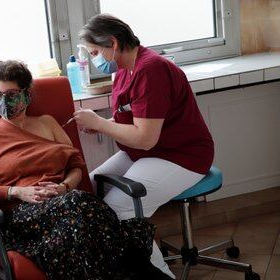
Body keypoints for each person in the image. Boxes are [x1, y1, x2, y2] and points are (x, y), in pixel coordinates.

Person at [0, 60, 170, 279]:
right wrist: (16, 191)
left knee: (79, 221)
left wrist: (64, 187)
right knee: (83, 208)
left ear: (26, 95)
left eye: (11, 94)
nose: (4, 101)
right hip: (23, 217)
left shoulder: (47, 123)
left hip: (66, 207)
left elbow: (76, 165)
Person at [75, 14, 215, 278]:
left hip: (182, 155)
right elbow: (132, 118)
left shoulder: (151, 69)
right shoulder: (124, 72)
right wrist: (101, 123)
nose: (95, 60)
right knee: (89, 190)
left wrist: (100, 123)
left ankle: (159, 275)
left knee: (119, 208)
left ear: (112, 43)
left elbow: (146, 137)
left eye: (95, 52)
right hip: (145, 152)